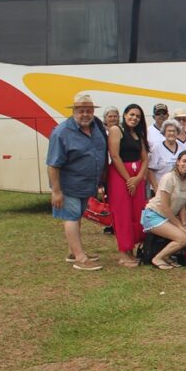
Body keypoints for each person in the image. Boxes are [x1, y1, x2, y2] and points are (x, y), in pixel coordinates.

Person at [47, 93, 108, 271]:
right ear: (74, 111)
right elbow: (53, 164)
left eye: (88, 110)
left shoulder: (96, 127)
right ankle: (81, 259)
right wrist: (56, 191)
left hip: (87, 184)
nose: (85, 114)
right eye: (81, 111)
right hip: (69, 185)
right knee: (72, 217)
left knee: (78, 216)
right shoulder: (61, 132)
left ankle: (73, 251)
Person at [108, 104, 151, 267]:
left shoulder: (137, 134)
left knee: (136, 214)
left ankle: (131, 249)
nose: (134, 118)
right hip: (120, 176)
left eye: (138, 116)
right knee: (122, 214)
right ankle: (123, 253)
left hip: (136, 176)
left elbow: (145, 158)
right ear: (125, 115)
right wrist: (129, 180)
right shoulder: (116, 130)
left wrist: (138, 178)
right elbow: (115, 156)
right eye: (131, 115)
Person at [140, 150, 186, 269]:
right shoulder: (168, 178)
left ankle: (168, 256)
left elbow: (181, 204)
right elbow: (165, 207)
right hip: (154, 215)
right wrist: (180, 226)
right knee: (183, 237)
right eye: (184, 161)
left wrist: (184, 223)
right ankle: (158, 258)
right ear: (177, 162)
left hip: (168, 217)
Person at [148, 120, 183, 192]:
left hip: (178, 189)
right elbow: (150, 170)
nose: (171, 133)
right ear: (164, 133)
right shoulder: (156, 148)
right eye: (169, 131)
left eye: (174, 131)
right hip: (160, 189)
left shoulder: (183, 148)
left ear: (178, 132)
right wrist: (156, 189)